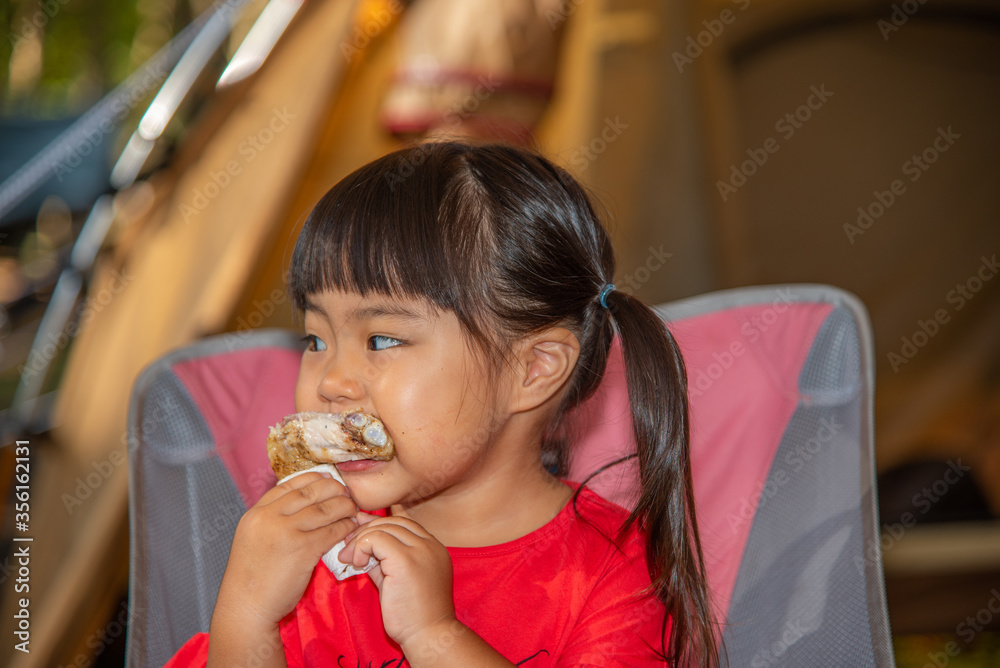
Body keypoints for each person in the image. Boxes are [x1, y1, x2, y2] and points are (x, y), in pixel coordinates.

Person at [165, 141, 719, 667]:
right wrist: (247, 616)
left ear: (533, 369)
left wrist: (434, 637)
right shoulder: (311, 551)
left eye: (381, 339)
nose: (331, 381)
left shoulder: (619, 577)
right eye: (315, 339)